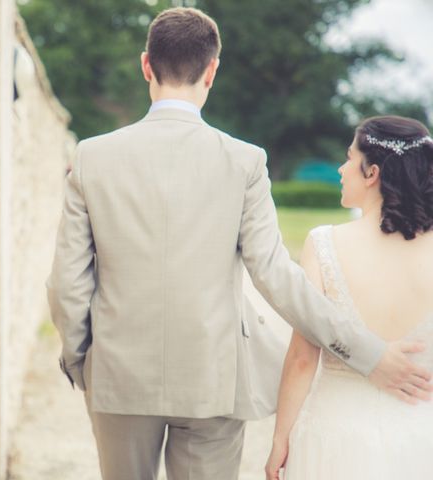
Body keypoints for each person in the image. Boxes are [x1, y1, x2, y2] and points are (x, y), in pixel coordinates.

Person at [47, 7, 431, 480]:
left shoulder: (91, 157)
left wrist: (82, 358)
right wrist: (368, 355)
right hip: (214, 380)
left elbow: (67, 281)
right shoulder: (245, 162)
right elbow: (278, 278)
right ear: (212, 70)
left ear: (146, 64)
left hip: (119, 375)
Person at [266, 116, 433, 480]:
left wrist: (280, 438)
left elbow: (301, 359)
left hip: (335, 437)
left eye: (347, 157)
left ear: (371, 172)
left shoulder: (325, 243)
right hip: (421, 440)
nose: (341, 169)